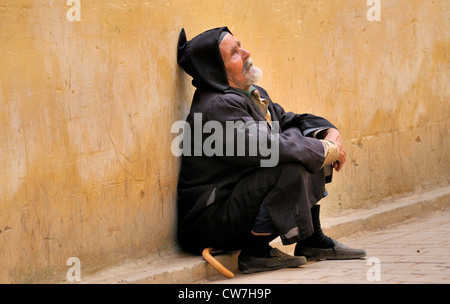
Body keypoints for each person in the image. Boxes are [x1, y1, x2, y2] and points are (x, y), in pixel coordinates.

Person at [175, 27, 366, 274]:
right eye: (235, 53)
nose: (246, 53)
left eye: (240, 45)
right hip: (210, 220)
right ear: (216, 70)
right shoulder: (217, 106)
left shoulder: (251, 94)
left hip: (234, 203)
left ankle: (311, 241)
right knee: (293, 158)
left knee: (306, 141)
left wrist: (328, 134)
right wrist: (324, 149)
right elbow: (268, 147)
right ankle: (255, 252)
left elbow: (289, 121)